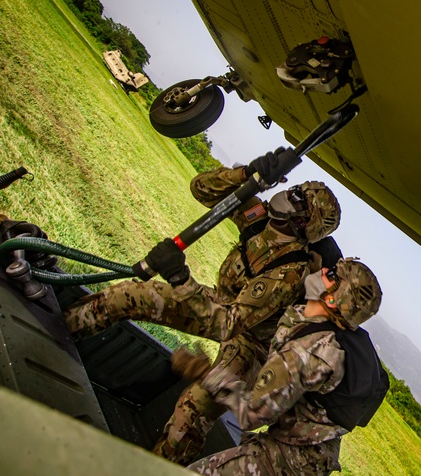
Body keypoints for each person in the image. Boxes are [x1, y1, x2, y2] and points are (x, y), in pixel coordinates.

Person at [62, 149, 343, 463]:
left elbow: (226, 325)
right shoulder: (260, 219)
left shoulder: (289, 273)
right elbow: (202, 189)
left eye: (299, 199)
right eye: (295, 190)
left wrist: (181, 278)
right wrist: (247, 175)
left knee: (196, 406)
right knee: (131, 295)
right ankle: (56, 333)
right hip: (219, 305)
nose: (289, 195)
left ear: (304, 222)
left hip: (250, 342)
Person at [175, 259, 385, 476]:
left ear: (332, 299)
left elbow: (251, 415)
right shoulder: (320, 325)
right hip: (310, 452)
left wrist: (204, 371)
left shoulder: (306, 354)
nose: (323, 269)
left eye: (331, 273)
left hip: (290, 460)